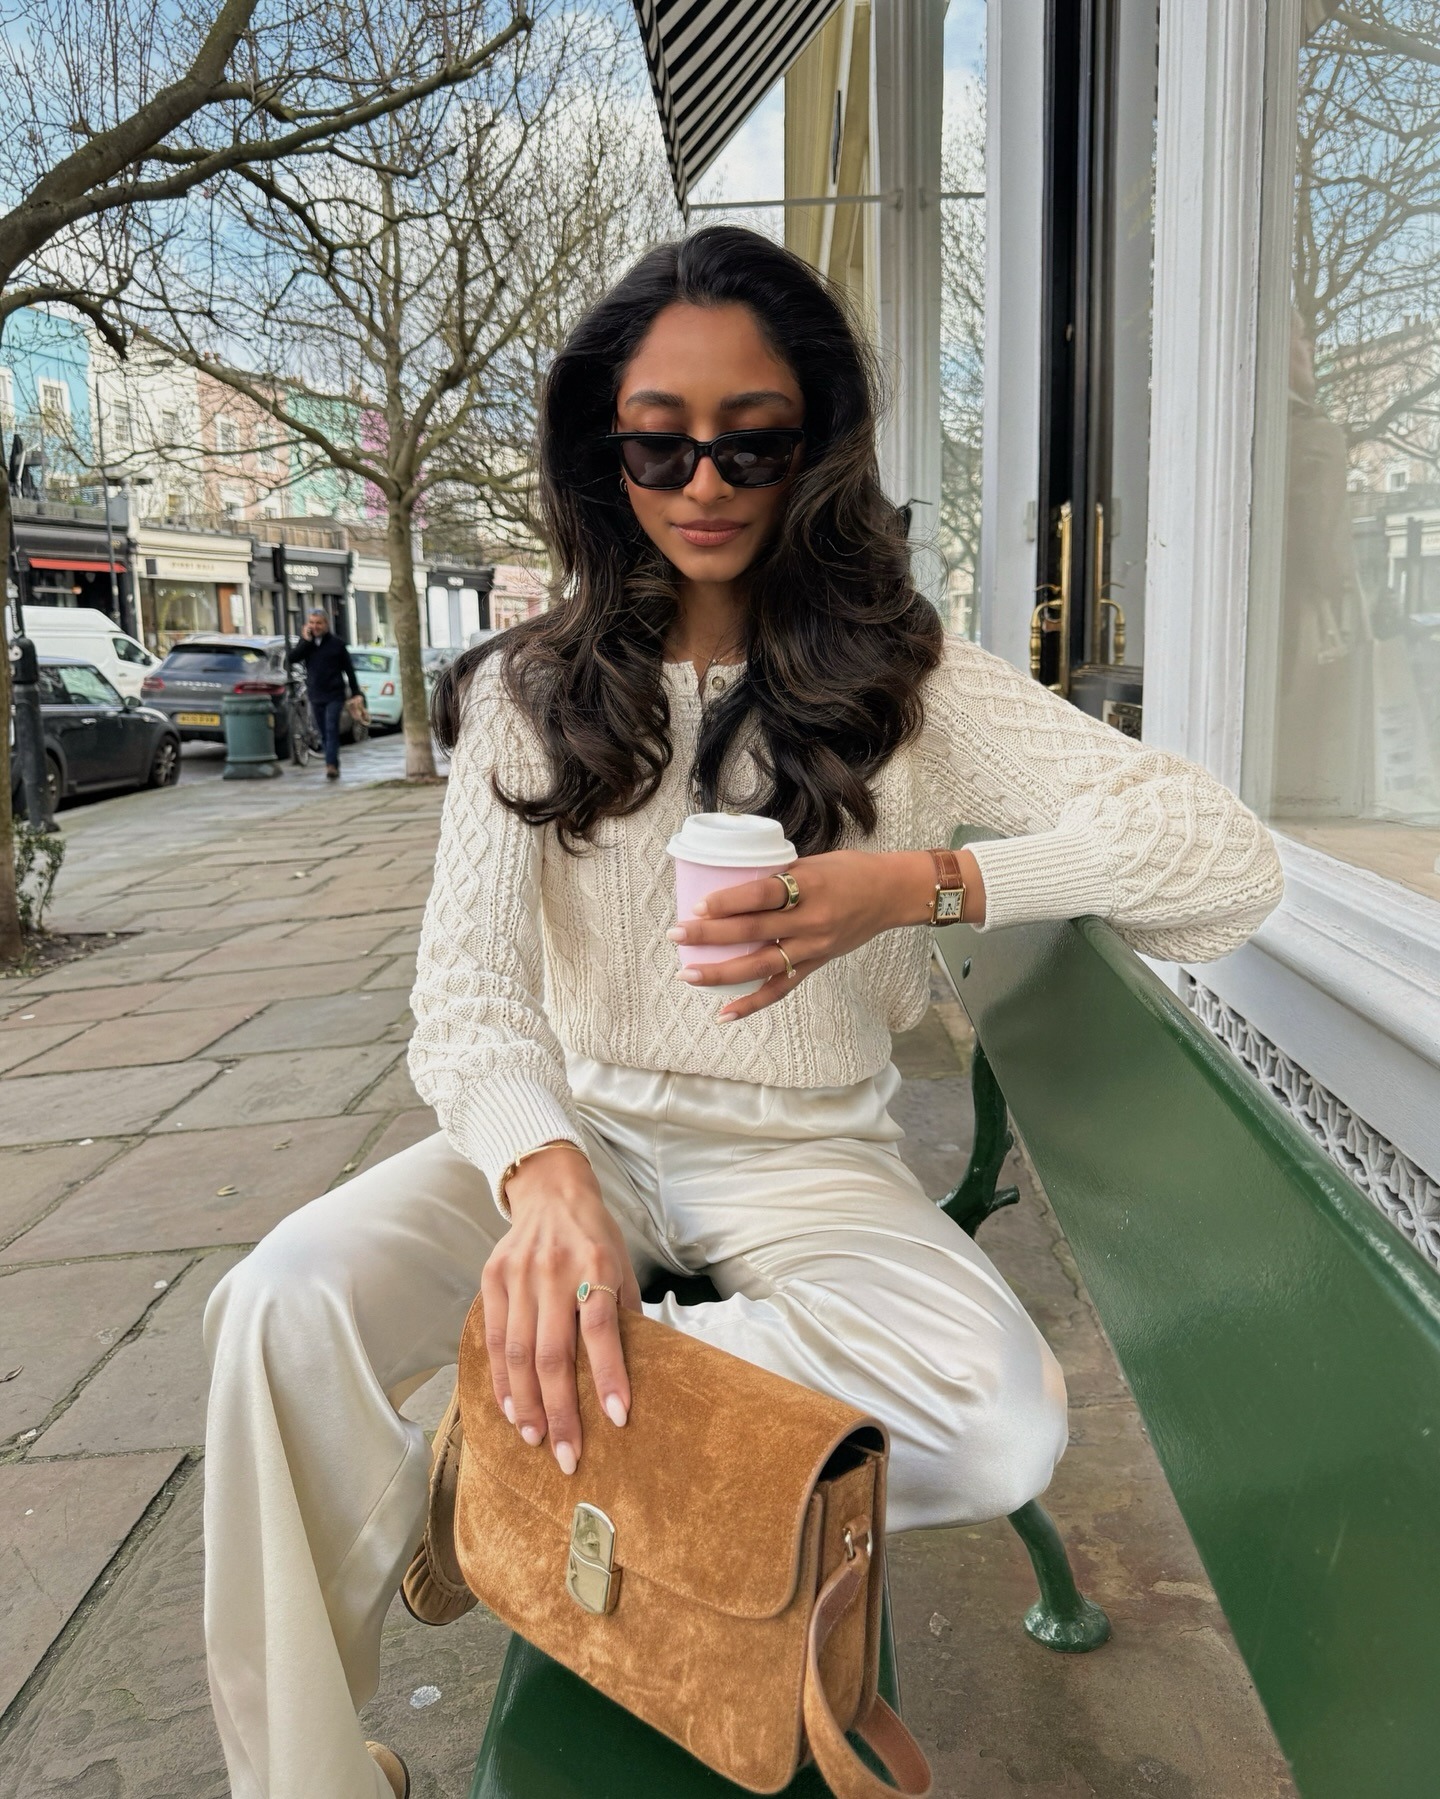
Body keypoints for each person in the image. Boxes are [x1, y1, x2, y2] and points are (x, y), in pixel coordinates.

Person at [203, 228, 1284, 1799]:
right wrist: (545, 1176)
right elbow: (469, 1001)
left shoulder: (910, 681)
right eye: (657, 441)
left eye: (751, 440)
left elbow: (1223, 863)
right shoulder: (528, 689)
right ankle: (310, 1776)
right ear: (603, 450)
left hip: (806, 1160)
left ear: (816, 447)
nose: (702, 481)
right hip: (578, 1134)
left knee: (1001, 1421)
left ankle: (505, 1443)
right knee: (273, 1303)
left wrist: (919, 881)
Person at [288, 607, 361, 779]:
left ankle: (331, 765)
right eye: (312, 623)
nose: (315, 626)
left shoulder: (337, 644)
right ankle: (331, 760)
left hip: (334, 694)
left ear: (326, 624)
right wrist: (306, 640)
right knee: (322, 732)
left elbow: (349, 670)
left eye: (318, 623)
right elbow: (292, 658)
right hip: (315, 694)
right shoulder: (306, 644)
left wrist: (356, 692)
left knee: (331, 729)